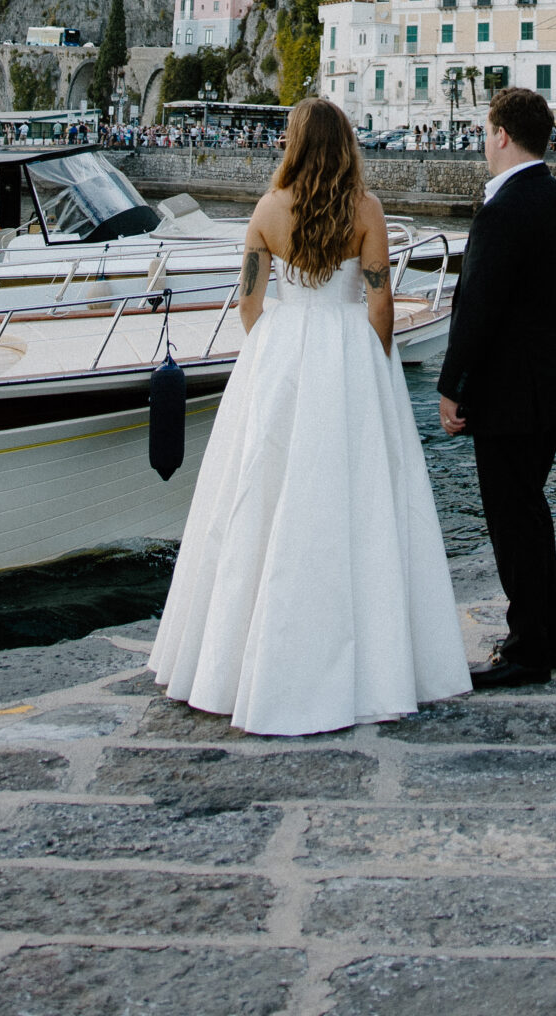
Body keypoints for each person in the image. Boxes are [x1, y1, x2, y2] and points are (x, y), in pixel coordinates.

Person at [150, 98, 470, 737]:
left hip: (283, 352)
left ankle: (235, 663)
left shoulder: (268, 211)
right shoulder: (367, 211)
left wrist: (275, 346)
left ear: (293, 145)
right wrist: (373, 362)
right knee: (358, 501)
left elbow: (248, 301)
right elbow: (379, 302)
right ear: (348, 143)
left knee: (259, 496)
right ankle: (376, 664)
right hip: (349, 351)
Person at [438, 86, 556, 691]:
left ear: (501, 134)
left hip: (507, 391)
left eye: (485, 130)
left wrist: (453, 384)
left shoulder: (502, 210)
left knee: (512, 516)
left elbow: (478, 307)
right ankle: (541, 637)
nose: (482, 140)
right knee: (529, 509)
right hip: (550, 383)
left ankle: (531, 647)